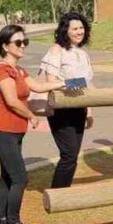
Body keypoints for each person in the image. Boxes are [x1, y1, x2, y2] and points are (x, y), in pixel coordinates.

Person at [0, 25, 66, 224]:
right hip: (0, 130)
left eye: (25, 42)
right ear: (5, 46)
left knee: (7, 177)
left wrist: (64, 83)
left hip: (13, 131)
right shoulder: (2, 69)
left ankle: (2, 222)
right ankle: (14, 223)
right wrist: (31, 116)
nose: (23, 46)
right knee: (20, 177)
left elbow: (38, 87)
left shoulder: (19, 70)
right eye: (18, 42)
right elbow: (11, 101)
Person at [41, 12, 95, 188]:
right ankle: (58, 192)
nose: (79, 32)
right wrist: (78, 83)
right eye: (75, 28)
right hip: (61, 108)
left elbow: (89, 84)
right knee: (69, 153)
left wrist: (90, 110)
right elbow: (51, 81)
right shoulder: (57, 50)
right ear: (65, 31)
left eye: (81, 28)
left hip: (79, 108)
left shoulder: (82, 53)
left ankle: (64, 191)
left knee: (73, 153)